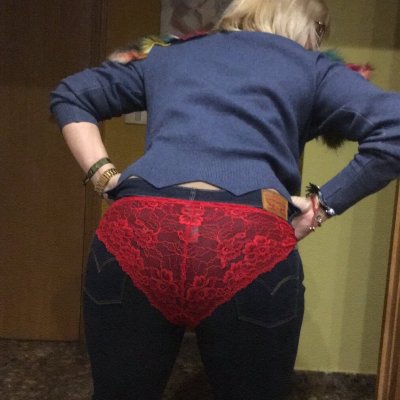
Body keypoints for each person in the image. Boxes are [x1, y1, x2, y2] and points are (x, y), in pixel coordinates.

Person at [49, 0, 400, 399]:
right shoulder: (312, 67)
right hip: (247, 231)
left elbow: (72, 94)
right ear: (311, 30)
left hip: (142, 223)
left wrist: (104, 175)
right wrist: (321, 207)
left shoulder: (170, 55)